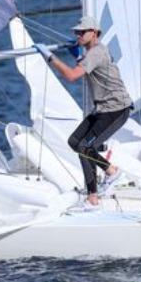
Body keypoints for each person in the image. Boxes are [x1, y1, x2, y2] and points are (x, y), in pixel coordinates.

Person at [34, 16, 132, 207]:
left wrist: (49, 56)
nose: (77, 34)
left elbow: (72, 76)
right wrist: (77, 55)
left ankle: (93, 197)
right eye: (76, 32)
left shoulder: (95, 53)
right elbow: (89, 67)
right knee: (75, 142)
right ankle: (112, 171)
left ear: (94, 33)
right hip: (103, 108)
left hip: (116, 109)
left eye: (82, 32)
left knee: (85, 148)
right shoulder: (92, 53)